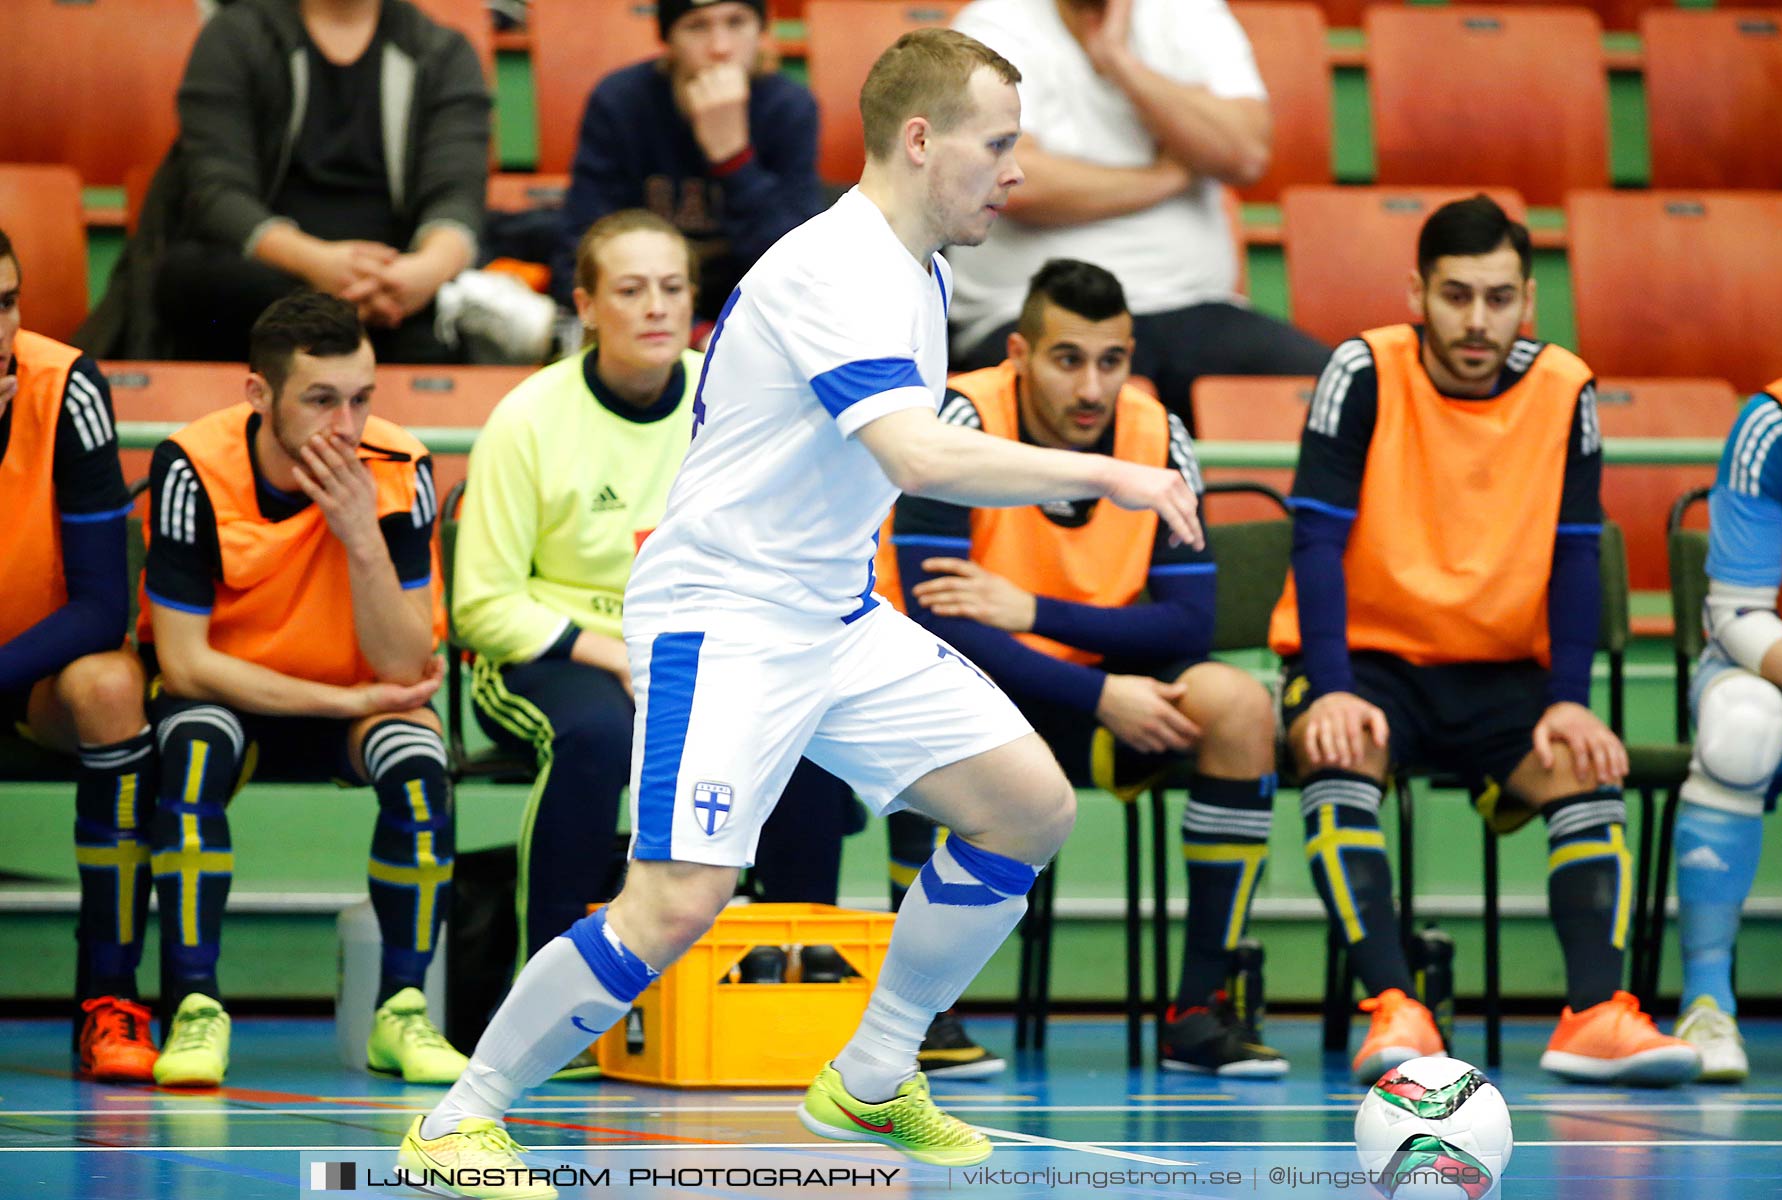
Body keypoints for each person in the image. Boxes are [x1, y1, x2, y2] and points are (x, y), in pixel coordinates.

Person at [397, 29, 1200, 1195]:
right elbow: (916, 456)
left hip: (833, 612)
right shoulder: (835, 266)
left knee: (1027, 809)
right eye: (1000, 143)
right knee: (675, 903)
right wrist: (1114, 473)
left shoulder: (920, 269)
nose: (1016, 170)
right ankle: (460, 1122)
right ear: (921, 142)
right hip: (727, 620)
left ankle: (872, 1075)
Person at [1270, 194, 1699, 1086]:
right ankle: (1395, 1005)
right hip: (1371, 664)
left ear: (1528, 302)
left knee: (1588, 764)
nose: (1476, 320)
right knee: (1336, 750)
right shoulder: (1364, 370)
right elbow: (1313, 540)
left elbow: (1576, 556)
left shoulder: (1565, 385)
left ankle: (1593, 1014)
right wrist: (1332, 683)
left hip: (1503, 667)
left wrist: (1570, 702)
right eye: (1456, 295)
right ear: (1417, 294)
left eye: (1498, 298)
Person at [453, 209, 860, 1045]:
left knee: (807, 740)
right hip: (551, 652)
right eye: (630, 290)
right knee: (598, 736)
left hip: (703, 648)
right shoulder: (528, 418)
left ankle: (786, 990)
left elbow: (783, 548)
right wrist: (612, 654)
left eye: (672, 288)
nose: (655, 308)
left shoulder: (735, 398)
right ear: (587, 306)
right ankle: (552, 1014)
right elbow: (483, 604)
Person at [884, 257, 1286, 1077]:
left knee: (1239, 704)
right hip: (973, 693)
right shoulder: (958, 418)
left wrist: (1034, 616)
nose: (1092, 388)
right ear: (1019, 353)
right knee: (917, 702)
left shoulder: (1158, 435)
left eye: (1112, 361)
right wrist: (1098, 689)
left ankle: (1199, 1009)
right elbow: (935, 619)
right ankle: (918, 1014)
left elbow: (1189, 622)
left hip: (1109, 692)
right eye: (1069, 359)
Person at [139, 292, 462, 1088]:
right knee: (191, 745)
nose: (345, 426)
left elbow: (402, 666)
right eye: (321, 400)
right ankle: (194, 1009)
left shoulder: (401, 467)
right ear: (259, 395)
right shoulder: (191, 464)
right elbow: (183, 663)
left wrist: (360, 538)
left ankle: (403, 1012)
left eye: (361, 399)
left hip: (359, 698)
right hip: (232, 697)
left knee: (420, 759)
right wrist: (343, 704)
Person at [82, 0, 551, 366]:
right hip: (265, 273)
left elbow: (457, 195)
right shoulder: (236, 37)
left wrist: (421, 273)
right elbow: (217, 193)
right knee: (196, 280)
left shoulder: (442, 53)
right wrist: (319, 266)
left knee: (432, 327)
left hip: (391, 284)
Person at [944, 0, 1330, 422]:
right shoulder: (994, 24)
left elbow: (1246, 153)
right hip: (1032, 313)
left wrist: (1119, 63)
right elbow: (1009, 181)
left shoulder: (1190, 13)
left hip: (1195, 308)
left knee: (1342, 399)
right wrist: (1166, 176)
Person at [0, 227, 160, 1082]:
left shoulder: (67, 387)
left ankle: (112, 994)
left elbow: (103, 607)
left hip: (36, 667)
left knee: (111, 687)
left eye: (7, 303)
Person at [1667, 370, 1782, 1083]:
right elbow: (1738, 614)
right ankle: (1707, 998)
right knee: (1742, 724)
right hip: (1772, 670)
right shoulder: (1777, 420)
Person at [551, 0, 822, 326]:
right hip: (645, 315)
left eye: (736, 23)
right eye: (697, 26)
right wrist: (689, 333)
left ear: (761, 29)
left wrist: (733, 158)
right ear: (668, 39)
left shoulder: (789, 107)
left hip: (752, 314)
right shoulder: (622, 102)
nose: (720, 47)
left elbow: (799, 274)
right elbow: (583, 251)